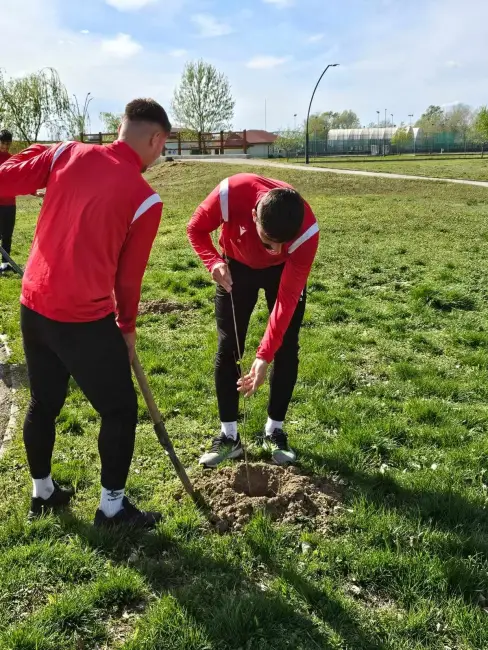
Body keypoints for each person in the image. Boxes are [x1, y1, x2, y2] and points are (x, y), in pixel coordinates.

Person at [0, 99, 171, 528]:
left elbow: (5, 179)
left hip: (34, 305)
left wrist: (36, 153)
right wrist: (127, 327)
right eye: (162, 147)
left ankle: (43, 493)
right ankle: (111, 509)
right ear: (155, 138)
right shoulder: (145, 199)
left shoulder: (65, 152)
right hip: (83, 318)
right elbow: (128, 281)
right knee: (118, 411)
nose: (159, 156)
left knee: (44, 400)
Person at [187, 173, 319, 467]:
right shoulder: (228, 195)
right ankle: (229, 437)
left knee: (286, 347)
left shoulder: (306, 232)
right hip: (235, 265)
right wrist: (213, 261)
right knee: (228, 346)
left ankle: (274, 430)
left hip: (281, 274)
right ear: (252, 217)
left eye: (281, 244)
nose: (273, 250)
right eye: (268, 241)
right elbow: (195, 229)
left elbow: (285, 303)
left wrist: (263, 357)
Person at [0, 129, 16, 273]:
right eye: (2, 143)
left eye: (7, 144)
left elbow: (19, 179)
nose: (5, 146)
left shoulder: (12, 159)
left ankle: (5, 265)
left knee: (7, 234)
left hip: (10, 203)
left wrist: (33, 192)